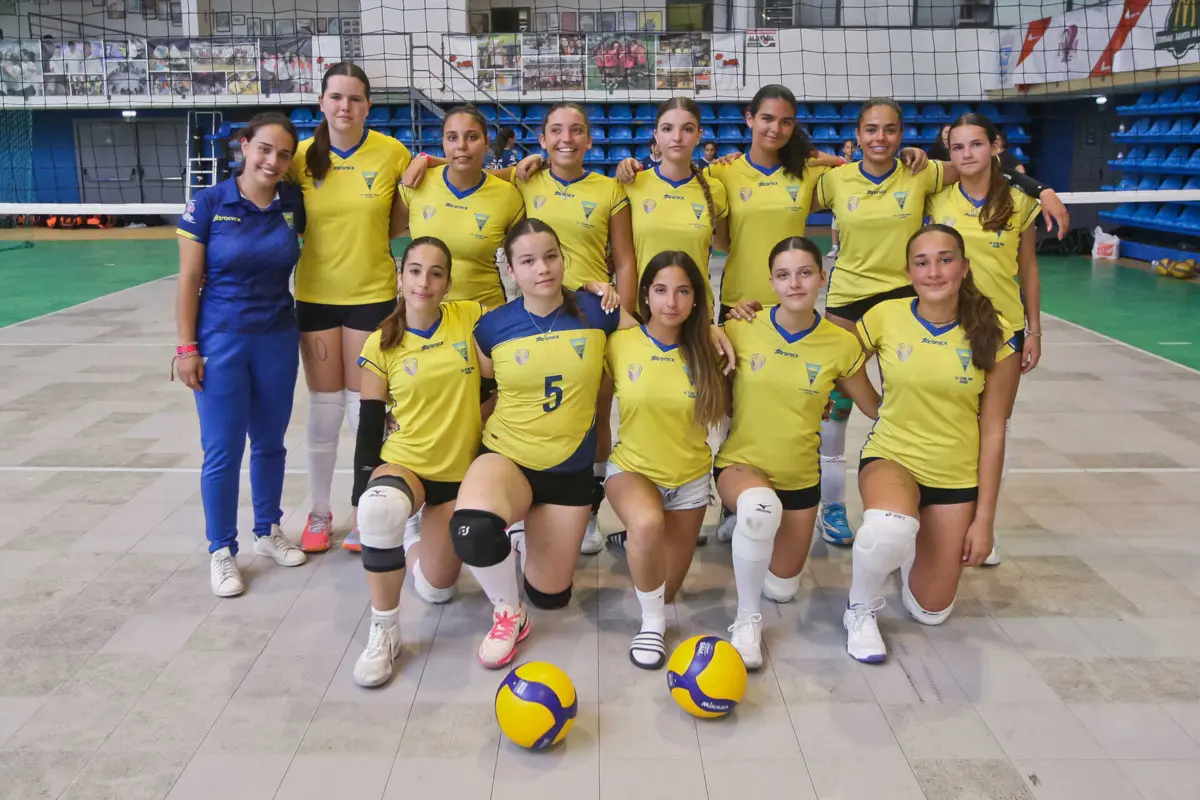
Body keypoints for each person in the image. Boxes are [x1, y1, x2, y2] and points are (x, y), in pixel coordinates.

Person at [449, 219, 734, 668]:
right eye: (528, 261)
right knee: (473, 530)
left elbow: (658, 333)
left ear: (563, 259)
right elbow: (486, 393)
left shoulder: (598, 311)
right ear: (511, 269)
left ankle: (527, 533)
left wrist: (710, 329)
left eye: (550, 256)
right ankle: (507, 611)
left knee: (550, 596)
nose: (542, 268)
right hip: (508, 454)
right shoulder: (492, 327)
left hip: (568, 472)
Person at [810, 97, 1067, 551]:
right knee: (836, 403)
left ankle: (968, 516)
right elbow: (789, 180)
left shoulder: (925, 176)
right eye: (871, 129)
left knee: (977, 418)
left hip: (926, 303)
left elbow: (988, 172)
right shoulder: (851, 180)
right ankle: (833, 504)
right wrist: (830, 159)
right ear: (857, 134)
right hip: (852, 300)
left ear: (902, 134)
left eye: (890, 129)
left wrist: (1041, 187)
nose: (880, 138)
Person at [843, 224, 1019, 663]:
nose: (934, 272)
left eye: (945, 260)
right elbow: (836, 356)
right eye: (921, 263)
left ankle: (912, 543)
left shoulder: (997, 333)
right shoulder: (885, 315)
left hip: (954, 475)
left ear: (964, 267)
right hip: (892, 456)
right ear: (909, 272)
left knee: (930, 611)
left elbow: (994, 430)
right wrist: (873, 405)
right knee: (887, 529)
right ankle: (859, 609)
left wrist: (984, 520)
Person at [717, 237, 878, 667]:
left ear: (822, 278)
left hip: (801, 479)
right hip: (741, 464)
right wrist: (714, 326)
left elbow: (874, 407)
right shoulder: (742, 327)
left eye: (805, 273)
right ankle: (746, 621)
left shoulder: (841, 344)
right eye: (784, 275)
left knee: (782, 589)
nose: (795, 283)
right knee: (759, 510)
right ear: (771, 282)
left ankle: (752, 538)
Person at [175, 112, 309, 597]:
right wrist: (187, 348)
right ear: (244, 145)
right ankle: (221, 549)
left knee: (270, 442)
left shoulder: (293, 203)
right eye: (265, 149)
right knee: (223, 450)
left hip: (277, 337)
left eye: (284, 154)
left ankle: (267, 531)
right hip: (221, 340)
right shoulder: (208, 203)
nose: (273, 161)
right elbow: (189, 280)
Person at [288, 62, 412, 554]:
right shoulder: (300, 157)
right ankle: (319, 514)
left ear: (368, 106)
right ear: (322, 102)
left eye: (355, 98)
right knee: (324, 410)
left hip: (371, 294)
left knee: (366, 410)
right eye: (336, 97)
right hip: (315, 295)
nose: (345, 106)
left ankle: (365, 512)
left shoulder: (391, 152)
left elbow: (402, 217)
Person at [350, 237, 485, 687]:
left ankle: (410, 536)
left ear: (448, 283)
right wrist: (360, 493)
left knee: (437, 590)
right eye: (414, 271)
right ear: (400, 276)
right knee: (378, 510)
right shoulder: (381, 342)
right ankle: (385, 631)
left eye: (435, 273)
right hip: (405, 462)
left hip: (455, 474)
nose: (423, 282)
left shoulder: (470, 317)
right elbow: (370, 423)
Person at [926, 113, 1043, 566]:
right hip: (950, 330)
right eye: (957, 147)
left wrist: (1034, 329)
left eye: (975, 144)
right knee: (951, 426)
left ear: (995, 146)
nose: (966, 154)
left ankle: (982, 525)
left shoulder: (1019, 200)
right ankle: (944, 518)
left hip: (1004, 332)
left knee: (994, 429)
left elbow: (1028, 268)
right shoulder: (937, 198)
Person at [605, 251, 728, 669]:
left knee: (667, 588)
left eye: (682, 291)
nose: (671, 302)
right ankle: (652, 626)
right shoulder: (619, 342)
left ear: (696, 298)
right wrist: (595, 285)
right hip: (633, 470)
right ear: (645, 295)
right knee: (646, 523)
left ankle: (636, 542)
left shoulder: (711, 348)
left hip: (690, 481)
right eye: (660, 290)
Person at [395, 105, 525, 312]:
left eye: (472, 137)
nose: (462, 146)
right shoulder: (417, 183)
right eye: (452, 137)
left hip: (484, 314)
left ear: (486, 143)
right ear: (443, 142)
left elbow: (524, 260)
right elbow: (384, 236)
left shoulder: (508, 196)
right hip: (423, 314)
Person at [623, 98, 729, 306]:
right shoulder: (631, 184)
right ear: (656, 135)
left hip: (697, 311)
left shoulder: (715, 188)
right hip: (644, 312)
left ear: (699, 135)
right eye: (667, 128)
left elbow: (723, 244)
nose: (677, 137)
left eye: (687, 129)